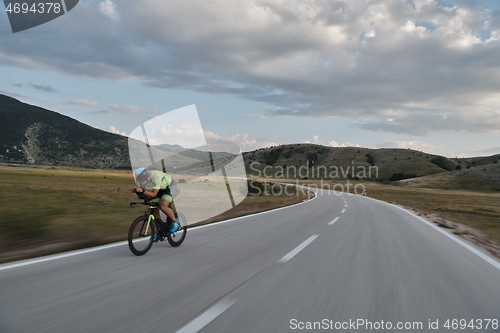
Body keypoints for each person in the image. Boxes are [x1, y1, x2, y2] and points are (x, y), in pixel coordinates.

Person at [131, 167, 181, 233]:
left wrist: (142, 190)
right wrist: (137, 191)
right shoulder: (143, 180)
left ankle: (175, 222)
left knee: (162, 205)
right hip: (160, 189)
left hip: (169, 187)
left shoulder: (156, 177)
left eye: (142, 180)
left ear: (146, 177)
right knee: (154, 210)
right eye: (139, 180)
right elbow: (144, 192)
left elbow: (153, 194)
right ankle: (159, 232)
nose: (141, 182)